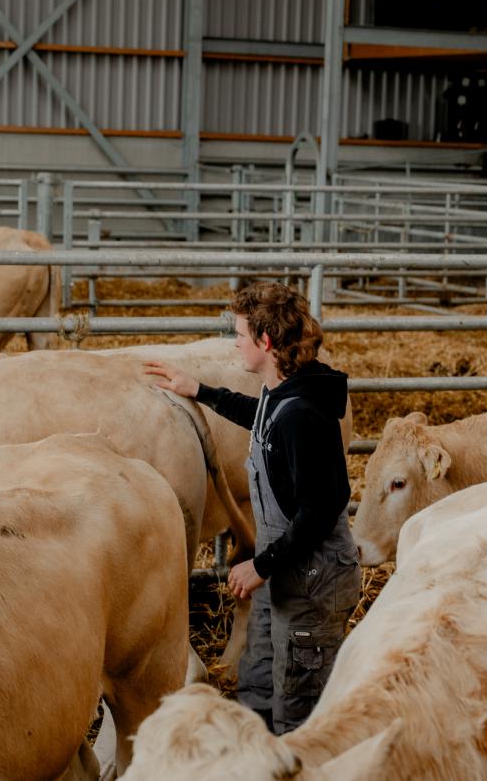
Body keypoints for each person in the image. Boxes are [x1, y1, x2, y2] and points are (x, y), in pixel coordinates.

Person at [144, 281, 360, 735]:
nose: (235, 344)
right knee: (259, 684)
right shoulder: (278, 392)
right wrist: (200, 389)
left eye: (240, 335)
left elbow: (319, 512)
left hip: (311, 583)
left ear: (264, 343)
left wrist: (260, 565)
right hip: (282, 570)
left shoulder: (303, 416)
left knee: (298, 710)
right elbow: (256, 415)